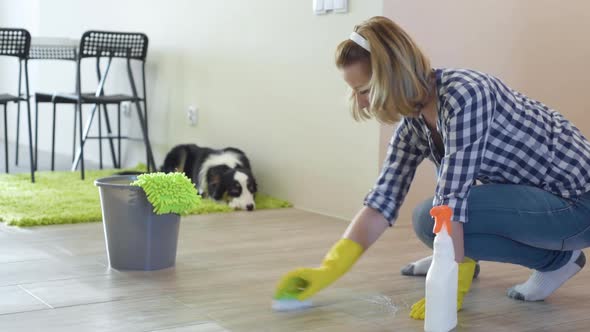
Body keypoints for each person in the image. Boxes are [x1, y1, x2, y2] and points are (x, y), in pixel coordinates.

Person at [274, 16, 590, 320]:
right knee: (426, 221)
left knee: (439, 214)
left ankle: (549, 262)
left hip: (579, 202)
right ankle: (557, 261)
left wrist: (447, 284)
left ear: (393, 76)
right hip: (546, 202)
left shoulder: (466, 94)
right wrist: (329, 268)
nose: (361, 103)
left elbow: (451, 201)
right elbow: (381, 201)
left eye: (365, 90)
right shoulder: (414, 124)